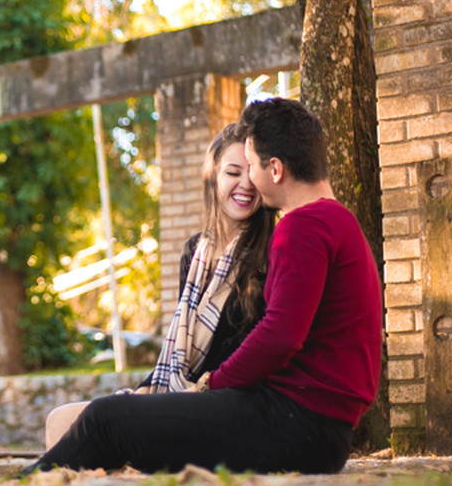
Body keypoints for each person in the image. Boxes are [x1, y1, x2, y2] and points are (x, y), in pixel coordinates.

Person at [23, 98, 382, 476]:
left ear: (274, 169)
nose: (250, 180)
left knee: (106, 420)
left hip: (296, 422)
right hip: (309, 423)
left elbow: (280, 336)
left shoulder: (301, 227)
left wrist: (211, 384)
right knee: (98, 421)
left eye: (253, 165)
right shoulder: (336, 221)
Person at [42, 121, 277, 448]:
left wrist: (182, 397)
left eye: (252, 173)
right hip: (181, 395)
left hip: (227, 405)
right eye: (232, 172)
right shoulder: (195, 252)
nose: (245, 184)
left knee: (97, 429)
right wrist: (146, 390)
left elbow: (254, 353)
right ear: (212, 178)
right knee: (62, 420)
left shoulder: (272, 251)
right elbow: (181, 347)